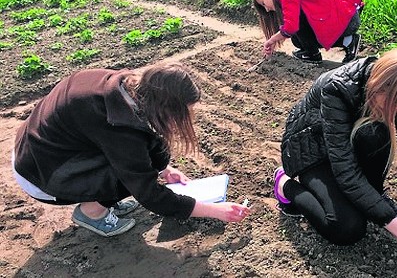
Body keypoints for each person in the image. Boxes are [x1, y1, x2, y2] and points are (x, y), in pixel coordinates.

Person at [12, 62, 251, 237]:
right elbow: (149, 194)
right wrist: (215, 211)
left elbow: (144, 135)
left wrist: (165, 169)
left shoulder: (124, 86)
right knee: (130, 177)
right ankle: (92, 212)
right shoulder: (119, 130)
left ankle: (102, 199)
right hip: (40, 174)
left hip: (37, 150)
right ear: (164, 108)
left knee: (135, 164)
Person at [273, 48, 397, 264]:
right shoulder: (338, 89)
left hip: (345, 145)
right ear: (380, 86)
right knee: (346, 227)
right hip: (311, 148)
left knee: (376, 134)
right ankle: (284, 184)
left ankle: (375, 198)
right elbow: (347, 174)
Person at [253, 0, 365, 64]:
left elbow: (291, 27)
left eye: (263, 3)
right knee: (297, 40)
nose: (267, 10)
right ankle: (347, 42)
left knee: (297, 22)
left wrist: (272, 39)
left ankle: (313, 54)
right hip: (347, 12)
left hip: (344, 19)